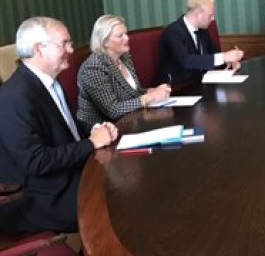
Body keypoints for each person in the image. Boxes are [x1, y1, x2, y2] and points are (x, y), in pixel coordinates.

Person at [0, 17, 117, 233]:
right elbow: (37, 162)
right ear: (39, 49)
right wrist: (91, 143)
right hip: (46, 196)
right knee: (119, 201)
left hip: (70, 173)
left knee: (129, 177)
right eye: (64, 43)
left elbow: (66, 125)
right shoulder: (13, 97)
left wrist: (93, 129)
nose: (71, 50)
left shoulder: (48, 81)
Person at [77, 15, 172, 128]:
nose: (127, 38)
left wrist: (151, 91)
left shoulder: (124, 56)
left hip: (130, 119)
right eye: (120, 36)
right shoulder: (94, 67)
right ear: (104, 41)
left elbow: (132, 92)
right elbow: (113, 110)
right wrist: (149, 97)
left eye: (126, 33)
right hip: (103, 128)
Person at [157, 0, 244, 85]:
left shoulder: (202, 30)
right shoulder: (173, 32)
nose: (213, 19)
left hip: (198, 81)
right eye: (210, 15)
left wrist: (228, 61)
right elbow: (186, 61)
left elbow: (212, 54)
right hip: (176, 86)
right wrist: (224, 57)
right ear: (199, 14)